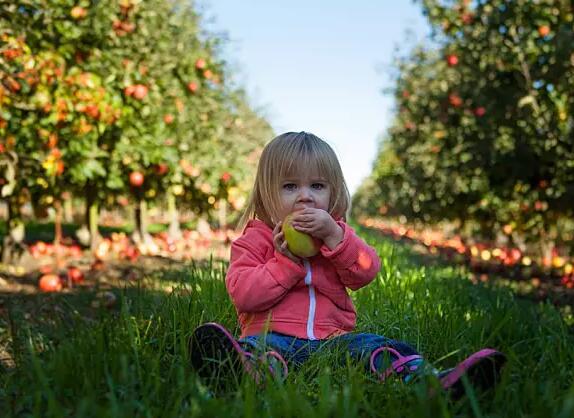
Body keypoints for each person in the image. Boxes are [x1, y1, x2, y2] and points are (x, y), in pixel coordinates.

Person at [189, 131, 506, 397]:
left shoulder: (337, 235)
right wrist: (285, 263)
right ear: (266, 193)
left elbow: (366, 271)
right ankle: (240, 372)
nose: (305, 197)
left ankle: (432, 382)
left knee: (378, 348)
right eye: (290, 186)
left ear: (332, 191)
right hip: (272, 335)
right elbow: (244, 295)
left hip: (333, 340)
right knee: (259, 351)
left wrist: (335, 238)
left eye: (317, 186)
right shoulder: (254, 241)